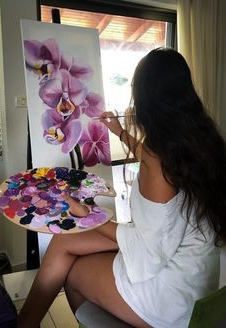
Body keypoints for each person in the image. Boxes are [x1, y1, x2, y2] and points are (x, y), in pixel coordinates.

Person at [17, 48, 226, 328]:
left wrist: (89, 212)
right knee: (65, 240)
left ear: (145, 99)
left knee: (74, 273)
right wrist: (119, 133)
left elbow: (145, 254)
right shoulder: (203, 141)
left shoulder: (159, 158)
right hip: (195, 274)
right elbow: (162, 164)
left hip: (170, 296)